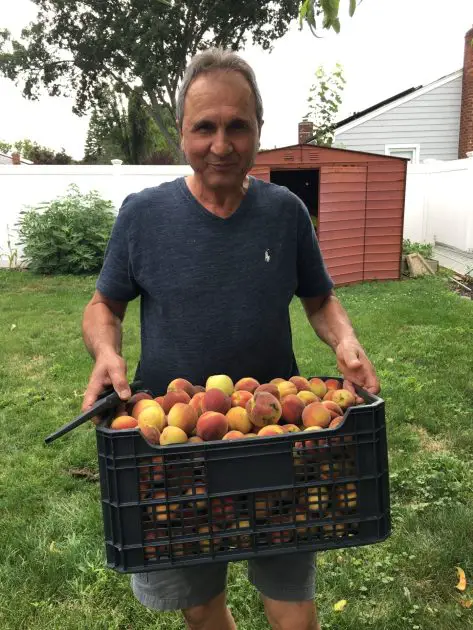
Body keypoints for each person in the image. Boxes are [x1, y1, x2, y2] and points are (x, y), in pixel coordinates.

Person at [82, 48, 380, 630]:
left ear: (259, 131)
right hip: (176, 450)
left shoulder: (285, 213)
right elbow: (103, 306)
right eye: (205, 127)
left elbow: (319, 299)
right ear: (181, 134)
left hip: (281, 439)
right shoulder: (143, 215)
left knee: (292, 599)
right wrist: (107, 351)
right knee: (201, 601)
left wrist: (345, 341)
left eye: (237, 126)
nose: (222, 144)